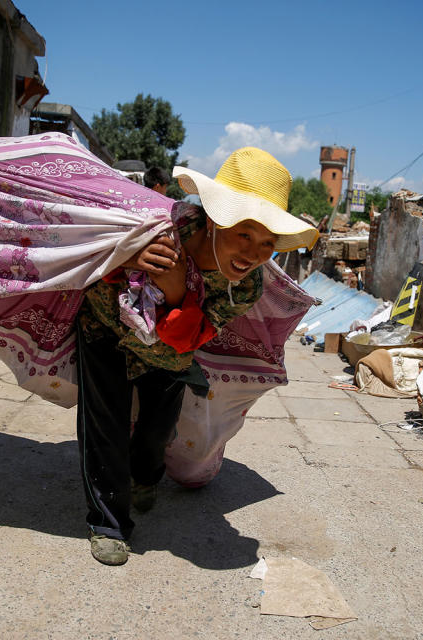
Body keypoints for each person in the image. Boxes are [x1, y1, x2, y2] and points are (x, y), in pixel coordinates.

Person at [74, 147, 317, 565]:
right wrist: (130, 257)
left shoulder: (245, 287)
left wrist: (173, 291)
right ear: (214, 219)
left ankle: (146, 476)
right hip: (105, 327)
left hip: (171, 353)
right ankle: (108, 522)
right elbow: (94, 249)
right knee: (105, 422)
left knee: (156, 428)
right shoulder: (160, 225)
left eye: (267, 244)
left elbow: (187, 339)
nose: (254, 253)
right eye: (244, 234)